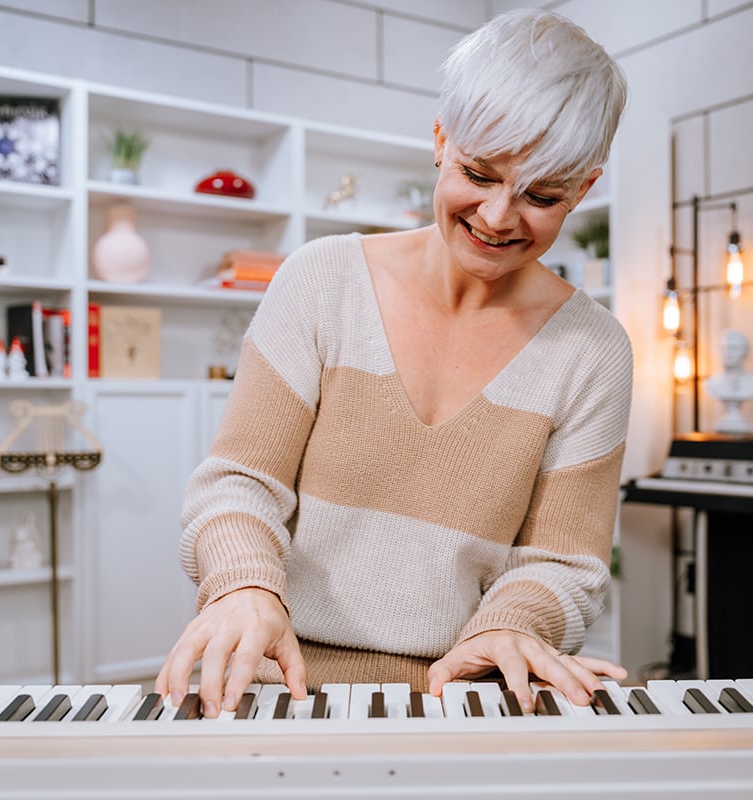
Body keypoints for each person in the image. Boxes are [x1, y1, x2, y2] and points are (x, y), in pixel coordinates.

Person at [156, 8, 633, 718]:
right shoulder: (322, 281)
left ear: (584, 189)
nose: (500, 217)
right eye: (479, 172)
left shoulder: (594, 351)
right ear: (441, 141)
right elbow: (237, 483)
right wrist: (244, 584)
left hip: (466, 698)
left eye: (542, 195)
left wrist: (511, 624)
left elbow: (564, 562)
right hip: (279, 681)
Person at [704, 329, 753, 434]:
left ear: (745, 351)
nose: (728, 353)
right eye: (724, 348)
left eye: (734, 348)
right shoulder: (711, 383)